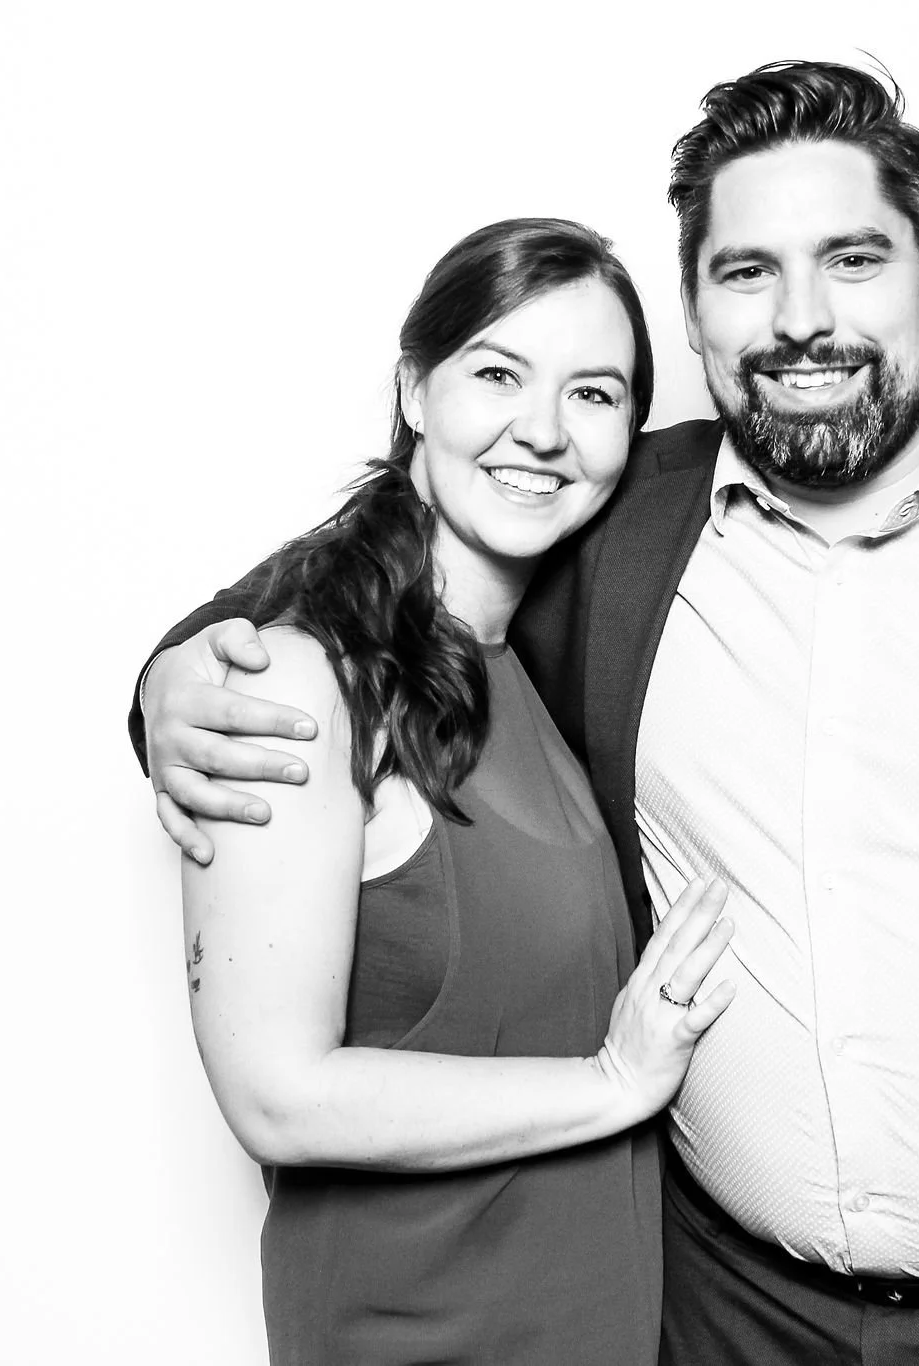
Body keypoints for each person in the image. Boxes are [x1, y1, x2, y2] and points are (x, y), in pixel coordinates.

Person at [135, 64, 919, 1366]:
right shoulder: (606, 519)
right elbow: (373, 593)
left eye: (853, 258)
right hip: (713, 1313)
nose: (802, 319)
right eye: (747, 271)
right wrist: (173, 685)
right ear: (694, 315)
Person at [168, 217, 738, 1366]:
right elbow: (275, 1091)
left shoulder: (528, 672)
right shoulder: (292, 681)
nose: (541, 430)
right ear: (415, 390)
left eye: (591, 395)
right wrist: (610, 1082)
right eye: (496, 373)